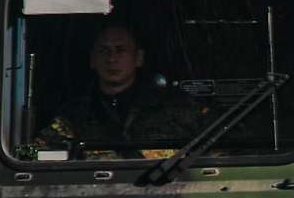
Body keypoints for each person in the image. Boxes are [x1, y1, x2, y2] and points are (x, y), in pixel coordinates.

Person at [38, 20, 198, 153]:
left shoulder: (175, 108)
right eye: (104, 50)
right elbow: (32, 155)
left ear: (139, 58)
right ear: (92, 60)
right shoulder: (72, 115)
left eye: (120, 50)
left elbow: (214, 150)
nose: (111, 59)